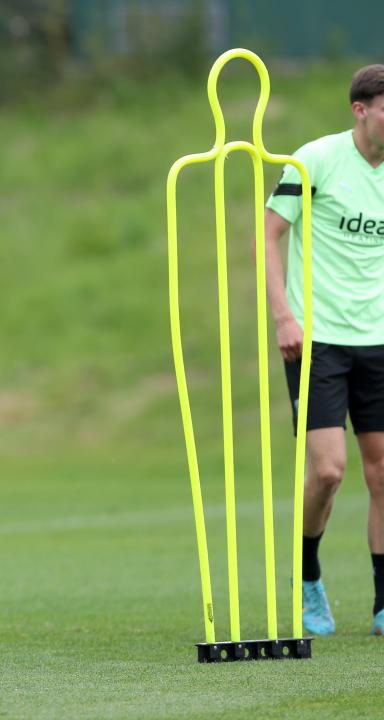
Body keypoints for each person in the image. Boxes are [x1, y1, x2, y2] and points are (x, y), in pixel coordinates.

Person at [264, 64, 384, 636]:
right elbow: (269, 233)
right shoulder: (314, 159)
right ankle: (308, 577)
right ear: (360, 109)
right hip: (317, 339)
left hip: (379, 341)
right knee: (330, 472)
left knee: (383, 474)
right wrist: (283, 314)